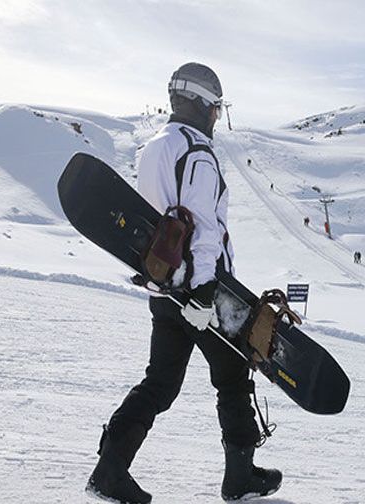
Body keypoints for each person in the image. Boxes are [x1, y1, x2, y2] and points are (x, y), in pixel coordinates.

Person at [86, 63, 281, 504]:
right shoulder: (197, 153)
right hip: (201, 294)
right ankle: (240, 476)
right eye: (216, 108)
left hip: (166, 289)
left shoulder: (155, 147)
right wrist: (207, 291)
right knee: (233, 376)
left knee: (160, 382)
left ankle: (110, 469)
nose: (216, 116)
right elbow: (202, 225)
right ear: (201, 104)